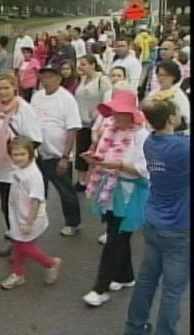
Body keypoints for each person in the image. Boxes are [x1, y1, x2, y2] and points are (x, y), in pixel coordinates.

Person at [124, 91, 190, 335]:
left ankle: (134, 326)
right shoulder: (183, 148)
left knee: (147, 280)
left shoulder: (151, 142)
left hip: (153, 222)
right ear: (172, 118)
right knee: (173, 290)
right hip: (179, 227)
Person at [81, 90, 150, 307]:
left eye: (121, 113)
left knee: (115, 240)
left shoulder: (141, 136)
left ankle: (99, 288)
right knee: (117, 235)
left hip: (131, 193)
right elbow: (105, 157)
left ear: (132, 114)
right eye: (114, 112)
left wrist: (119, 166)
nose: (116, 117)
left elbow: (144, 170)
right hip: (110, 189)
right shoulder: (110, 130)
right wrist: (95, 160)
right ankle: (125, 276)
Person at [0, 73, 43, 257]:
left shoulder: (24, 109)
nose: (3, 92)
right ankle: (15, 240)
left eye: (7, 88)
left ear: (14, 88)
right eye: (0, 88)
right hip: (3, 166)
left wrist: (19, 156)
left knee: (22, 206)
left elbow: (35, 139)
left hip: (21, 166)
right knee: (7, 206)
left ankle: (26, 242)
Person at [0, 137, 61, 289]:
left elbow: (36, 200)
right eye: (15, 154)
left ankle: (51, 263)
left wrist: (29, 222)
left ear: (31, 154)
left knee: (24, 246)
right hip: (19, 214)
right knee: (19, 244)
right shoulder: (19, 169)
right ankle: (18, 274)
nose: (18, 158)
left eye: (22, 154)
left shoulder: (33, 175)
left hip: (29, 217)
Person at [31, 64, 82, 236]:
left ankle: (73, 222)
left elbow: (72, 128)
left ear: (59, 79)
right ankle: (36, 220)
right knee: (37, 189)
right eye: (43, 77)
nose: (46, 81)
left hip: (58, 154)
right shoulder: (36, 97)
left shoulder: (67, 99)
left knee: (65, 191)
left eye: (50, 77)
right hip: (38, 152)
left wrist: (65, 156)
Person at [74, 55, 113, 191]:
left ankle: (96, 181)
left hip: (96, 122)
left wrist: (99, 117)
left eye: (84, 64)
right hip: (81, 121)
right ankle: (81, 181)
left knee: (95, 152)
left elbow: (107, 101)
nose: (81, 67)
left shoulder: (102, 80)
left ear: (93, 65)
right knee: (81, 151)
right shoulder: (82, 79)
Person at [149, 60, 190, 131]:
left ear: (173, 77)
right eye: (159, 75)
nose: (161, 78)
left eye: (164, 75)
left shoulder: (179, 95)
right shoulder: (152, 93)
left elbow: (186, 119)